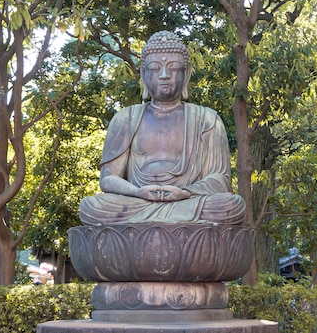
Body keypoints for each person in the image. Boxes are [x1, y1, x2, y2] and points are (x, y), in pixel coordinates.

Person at [79, 31, 246, 226]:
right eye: (155, 68)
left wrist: (185, 192)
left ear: (187, 73)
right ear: (143, 73)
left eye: (173, 67)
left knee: (231, 205)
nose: (164, 76)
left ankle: (153, 225)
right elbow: (108, 178)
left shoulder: (207, 119)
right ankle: (168, 224)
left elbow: (220, 180)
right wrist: (137, 192)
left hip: (188, 202)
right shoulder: (126, 118)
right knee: (92, 206)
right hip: (137, 201)